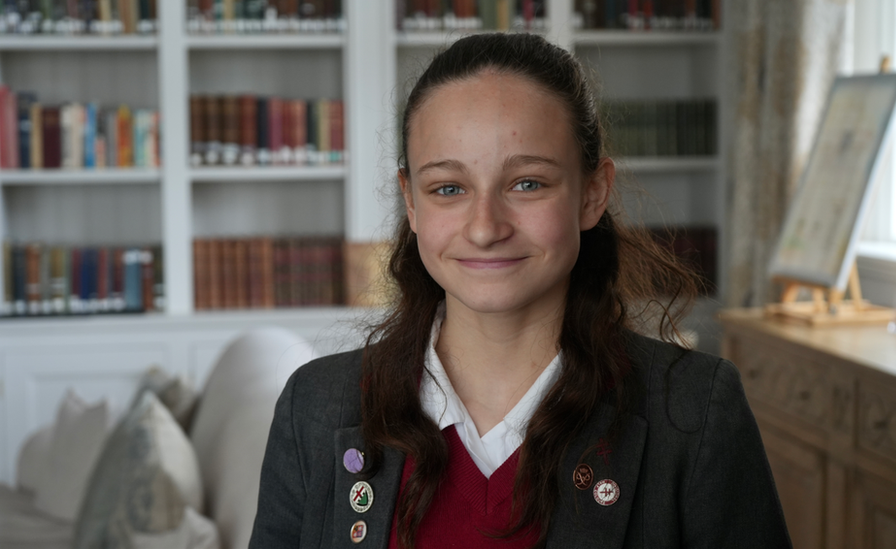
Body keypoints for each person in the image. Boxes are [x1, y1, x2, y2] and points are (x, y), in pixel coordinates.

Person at [250, 32, 791, 549]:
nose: (485, 228)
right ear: (410, 203)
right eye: (449, 188)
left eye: (527, 183)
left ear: (592, 193)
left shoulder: (696, 413)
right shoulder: (315, 408)